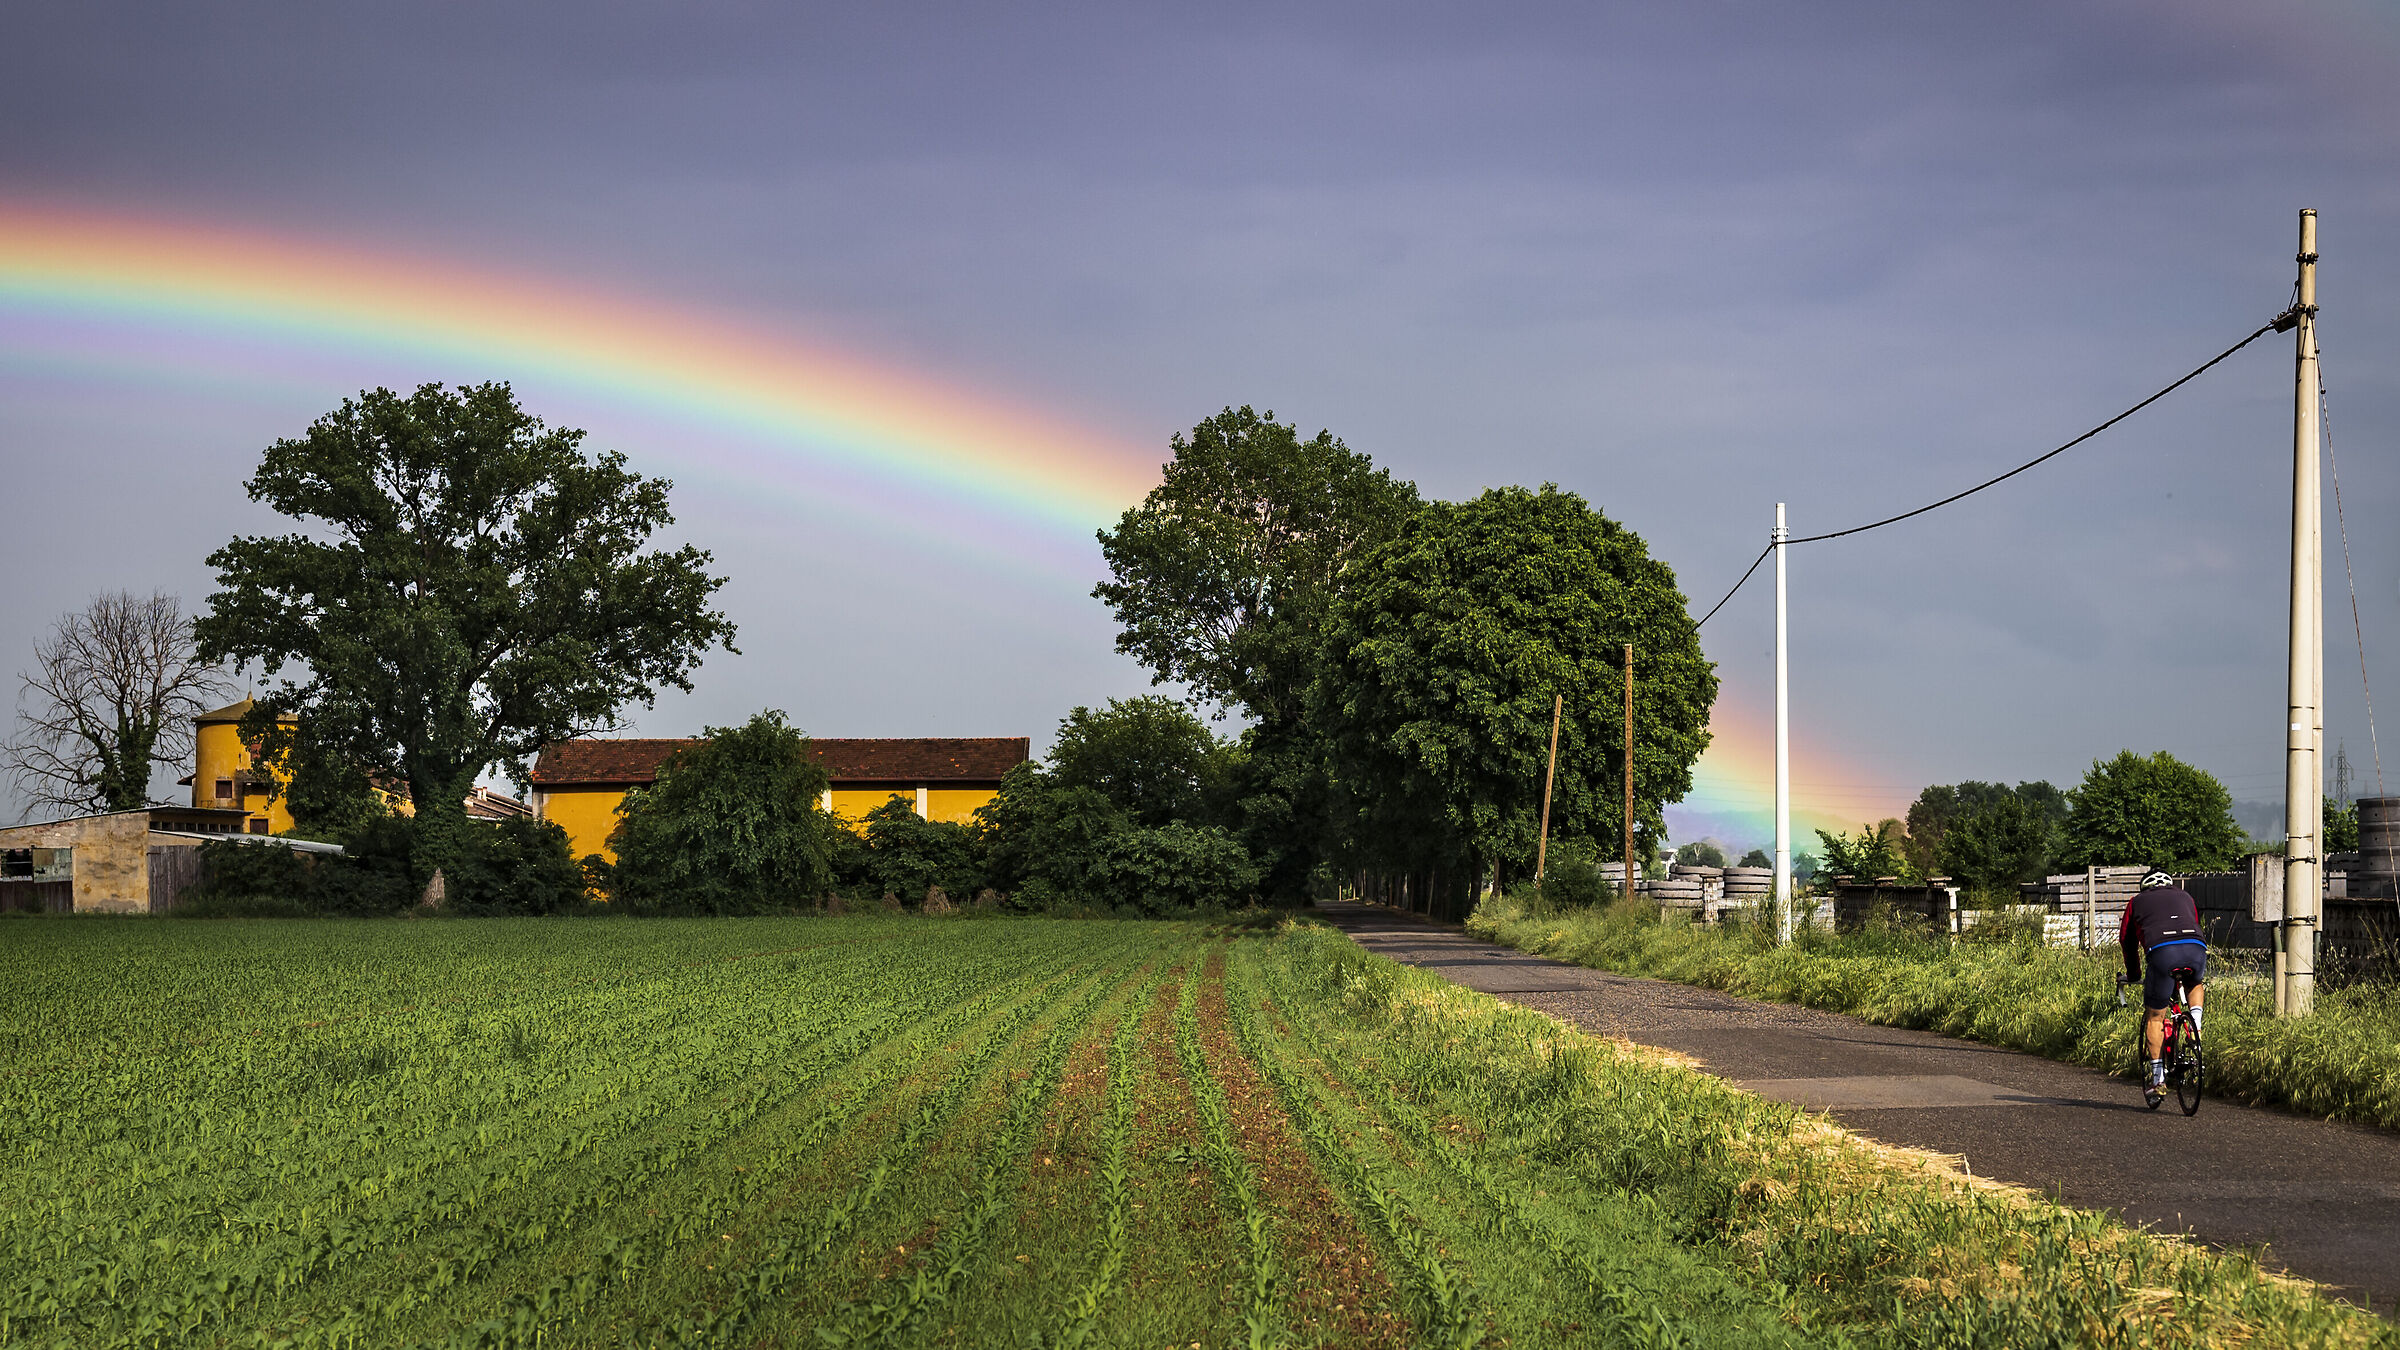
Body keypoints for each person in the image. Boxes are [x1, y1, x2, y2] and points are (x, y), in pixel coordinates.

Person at [2119, 866, 2206, 1106]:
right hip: (2196, 947)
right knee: (2194, 982)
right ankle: (2196, 1025)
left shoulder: (2136, 902)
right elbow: (2194, 922)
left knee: (2155, 1017)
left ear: (2145, 887)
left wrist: (2134, 974)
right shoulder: (2185, 896)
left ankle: (2158, 1080)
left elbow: (2127, 940)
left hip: (2162, 952)